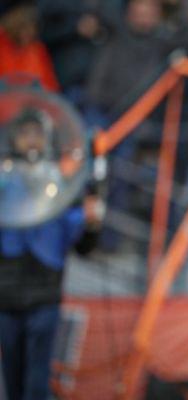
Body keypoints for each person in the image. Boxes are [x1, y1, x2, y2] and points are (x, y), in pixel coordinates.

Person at [0, 107, 103, 400]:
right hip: (6, 296)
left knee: (36, 380)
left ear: (48, 139)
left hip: (44, 294)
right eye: (25, 133)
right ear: (13, 138)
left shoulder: (59, 184)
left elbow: (83, 243)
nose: (31, 141)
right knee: (12, 378)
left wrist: (92, 223)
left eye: (37, 133)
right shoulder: (4, 182)